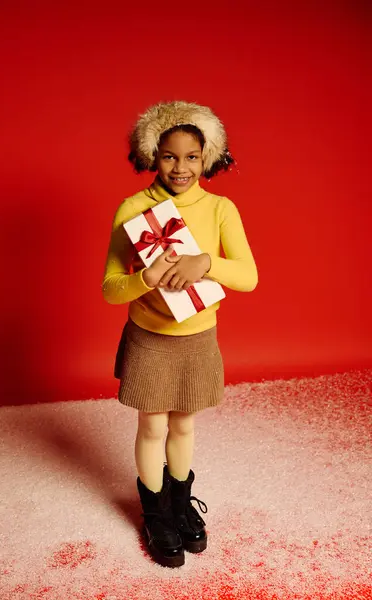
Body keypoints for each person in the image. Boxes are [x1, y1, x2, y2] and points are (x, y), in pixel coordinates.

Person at [102, 101, 258, 568]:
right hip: (150, 337)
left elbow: (249, 276)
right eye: (170, 155)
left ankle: (180, 503)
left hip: (198, 337)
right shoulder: (133, 209)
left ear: (208, 157)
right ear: (153, 154)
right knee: (152, 425)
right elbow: (111, 289)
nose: (181, 166)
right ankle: (155, 514)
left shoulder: (220, 208)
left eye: (192, 156)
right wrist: (144, 280)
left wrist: (205, 261)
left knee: (185, 424)